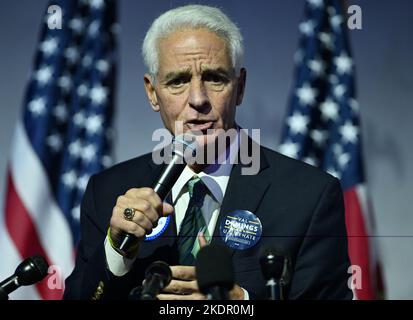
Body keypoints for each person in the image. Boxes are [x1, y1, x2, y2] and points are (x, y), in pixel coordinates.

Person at [64, 4, 352, 300]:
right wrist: (116, 250)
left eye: (215, 78)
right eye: (177, 81)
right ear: (152, 92)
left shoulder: (309, 196)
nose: (198, 99)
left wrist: (241, 304)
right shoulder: (108, 191)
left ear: (239, 88)